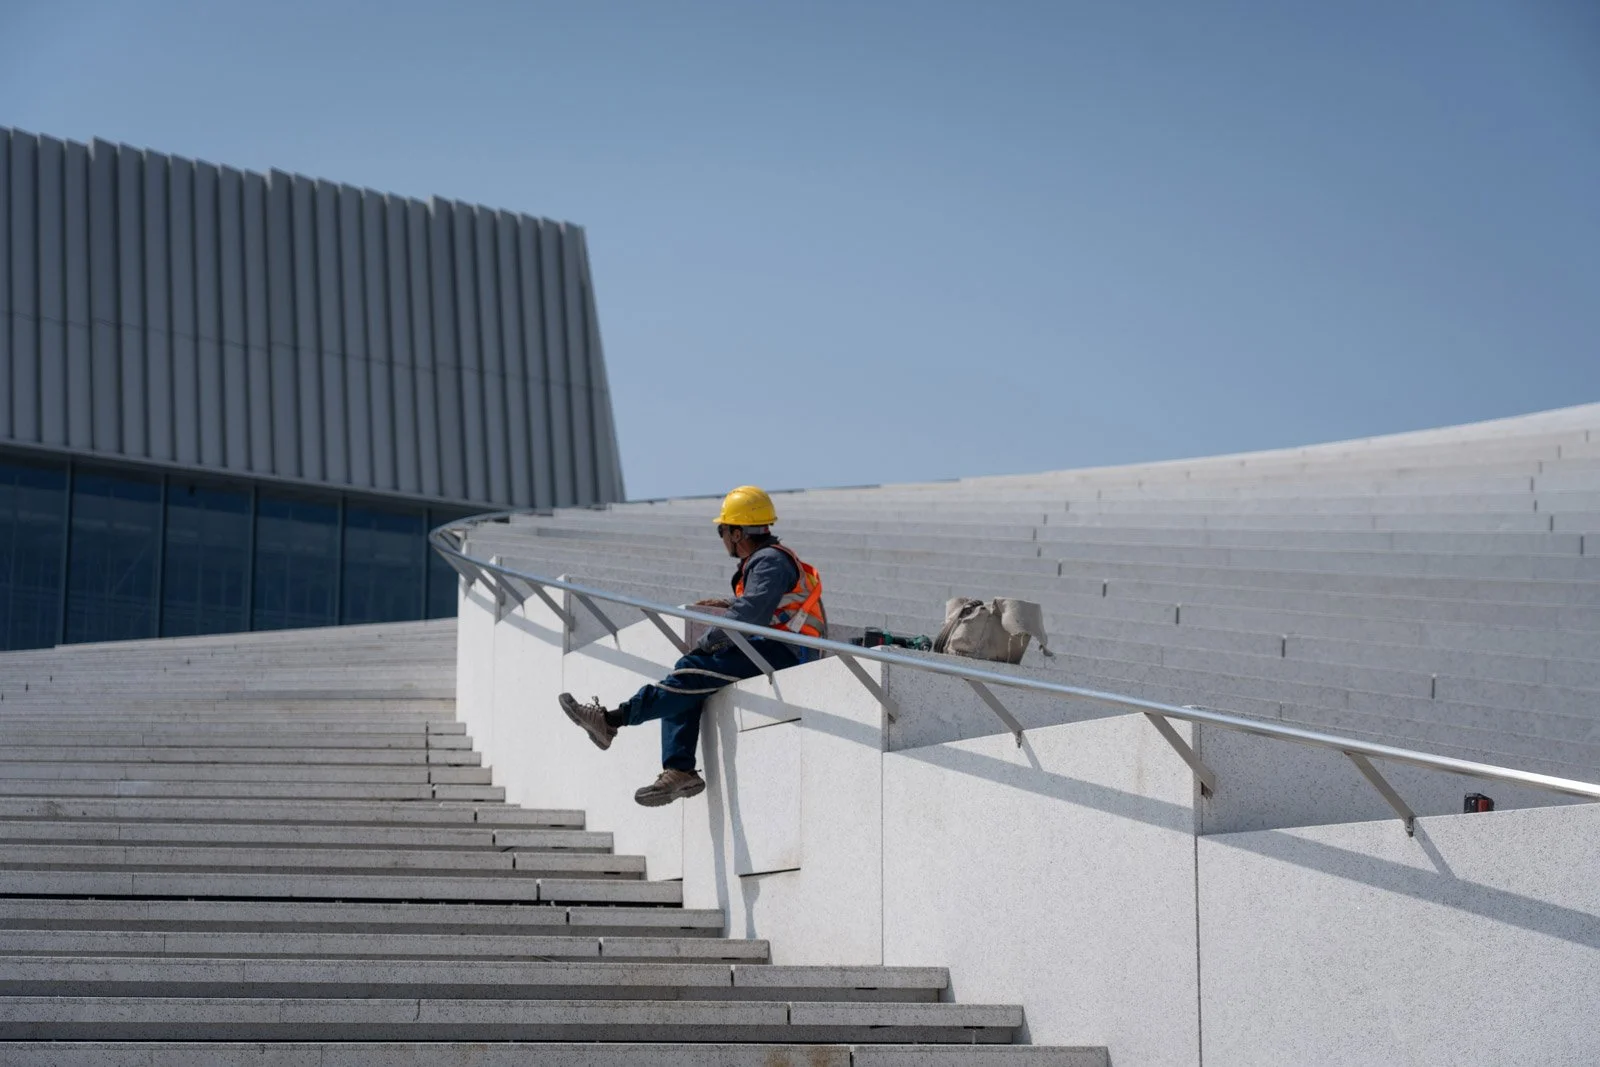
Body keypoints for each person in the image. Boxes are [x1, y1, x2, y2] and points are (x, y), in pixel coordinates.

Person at [558, 485, 827, 806]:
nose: (723, 537)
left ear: (738, 532)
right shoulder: (770, 561)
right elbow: (769, 603)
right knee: (691, 676)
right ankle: (677, 768)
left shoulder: (768, 561)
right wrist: (728, 601)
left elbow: (752, 612)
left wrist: (710, 639)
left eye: (722, 530)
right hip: (778, 646)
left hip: (784, 651)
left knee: (693, 667)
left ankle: (613, 721)